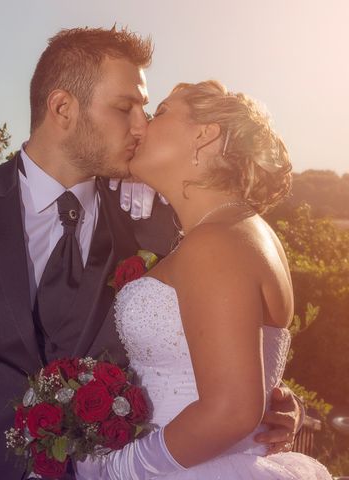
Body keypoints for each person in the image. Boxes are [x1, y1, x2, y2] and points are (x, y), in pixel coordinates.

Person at [0, 28, 301, 479]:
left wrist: (271, 398)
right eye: (124, 108)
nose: (141, 125)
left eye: (147, 109)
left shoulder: (160, 224)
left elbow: (212, 347)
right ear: (62, 108)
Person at [76, 81, 332, 479]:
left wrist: (121, 469)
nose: (142, 125)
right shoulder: (240, 231)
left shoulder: (217, 241)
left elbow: (232, 409)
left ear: (204, 135)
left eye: (160, 111)